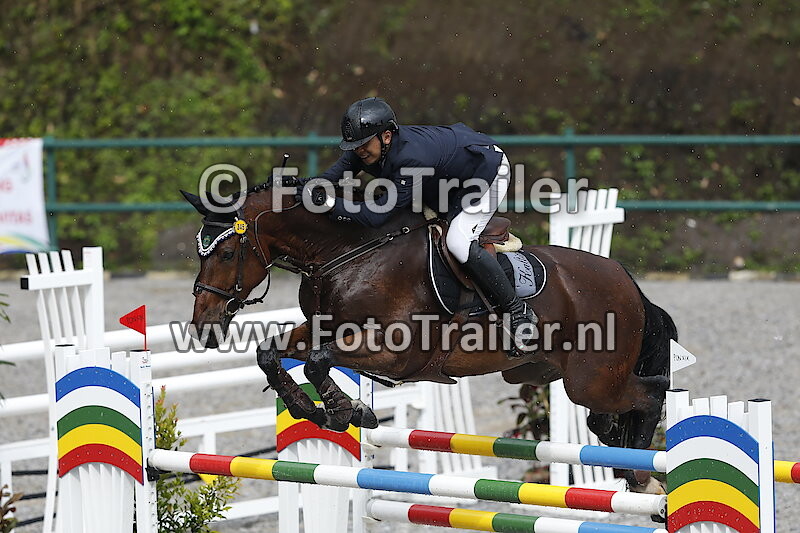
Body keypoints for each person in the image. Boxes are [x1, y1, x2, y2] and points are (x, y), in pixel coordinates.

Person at [299, 97, 537, 356]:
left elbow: (377, 216)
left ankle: (517, 311)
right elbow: (325, 181)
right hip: (447, 178)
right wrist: (293, 186)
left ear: (387, 136)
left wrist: (332, 204)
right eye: (354, 146)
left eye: (364, 144)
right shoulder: (366, 147)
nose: (359, 151)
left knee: (457, 241)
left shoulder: (411, 159)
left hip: (485, 171)